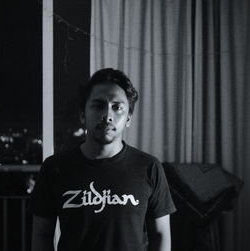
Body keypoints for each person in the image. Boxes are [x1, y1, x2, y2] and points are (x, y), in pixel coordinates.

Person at [31, 68, 176, 251]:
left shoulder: (148, 167)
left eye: (117, 107)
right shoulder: (55, 167)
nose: (107, 115)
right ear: (83, 115)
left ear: (128, 118)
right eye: (98, 105)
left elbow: (161, 236)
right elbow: (41, 235)